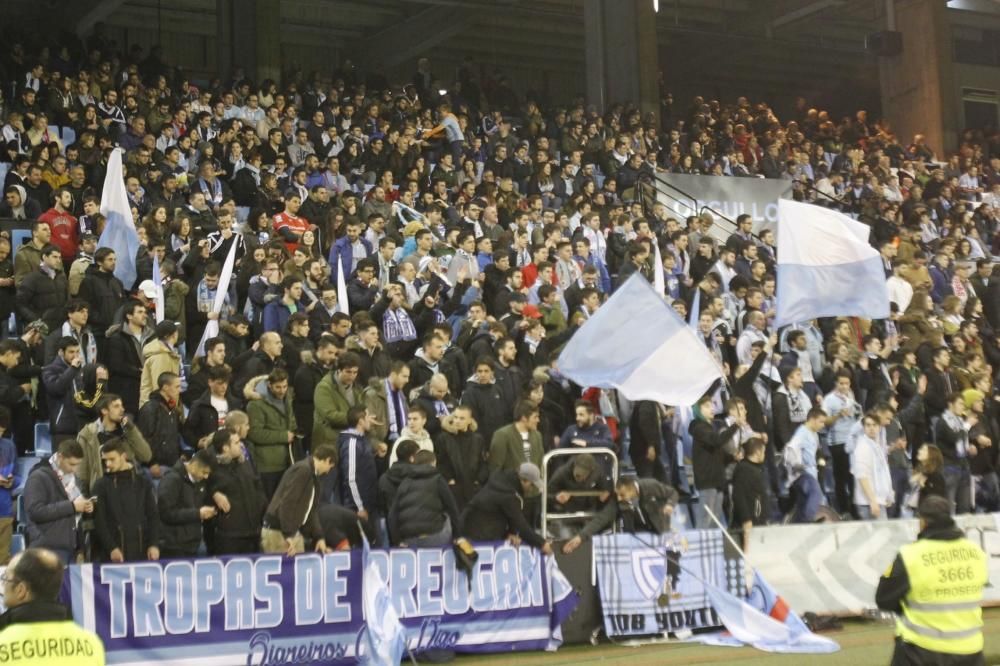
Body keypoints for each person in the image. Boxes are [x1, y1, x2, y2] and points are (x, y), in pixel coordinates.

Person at [876, 496, 988, 665]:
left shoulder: (911, 555)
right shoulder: (976, 552)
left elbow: (884, 599)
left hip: (921, 651)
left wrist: (904, 609)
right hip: (970, 650)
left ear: (923, 521)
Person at [0, 548, 105, 664]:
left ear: (21, 590)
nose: (3, 584)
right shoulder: (91, 646)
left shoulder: (3, 643)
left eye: (5, 578)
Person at [562, 476, 679, 554]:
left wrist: (670, 504)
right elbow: (602, 518)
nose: (618, 498)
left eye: (622, 495)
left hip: (660, 532)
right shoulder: (617, 501)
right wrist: (580, 537)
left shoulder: (650, 485)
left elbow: (673, 493)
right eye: (617, 494)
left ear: (632, 489)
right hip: (637, 537)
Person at [23, 440, 92, 564]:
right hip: (46, 549)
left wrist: (86, 507)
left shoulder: (74, 480)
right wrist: (72, 506)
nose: (75, 470)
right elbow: (35, 511)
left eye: (78, 465)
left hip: (71, 548)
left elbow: (75, 517)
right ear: (60, 457)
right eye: (71, 464)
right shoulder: (38, 477)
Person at [91, 438, 160, 562]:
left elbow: (153, 516)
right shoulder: (100, 486)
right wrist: (111, 548)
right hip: (112, 555)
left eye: (112, 459)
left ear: (123, 456)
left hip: (142, 552)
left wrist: (154, 544)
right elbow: (99, 521)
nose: (108, 464)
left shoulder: (143, 483)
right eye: (105, 460)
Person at [261, 443, 335, 556]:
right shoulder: (303, 470)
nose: (328, 471)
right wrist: (288, 534)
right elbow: (287, 503)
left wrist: (319, 537)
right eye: (330, 467)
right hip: (278, 533)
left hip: (290, 532)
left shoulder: (313, 477)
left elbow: (311, 511)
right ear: (327, 460)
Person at [461, 463, 553, 554]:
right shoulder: (509, 495)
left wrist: (508, 534)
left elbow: (499, 514)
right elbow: (521, 525)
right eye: (532, 484)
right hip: (477, 537)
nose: (532, 489)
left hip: (469, 526)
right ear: (524, 480)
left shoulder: (503, 480)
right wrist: (542, 544)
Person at [76, 393, 152, 496]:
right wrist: (86, 500)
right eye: (116, 406)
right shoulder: (87, 434)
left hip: (129, 490)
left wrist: (131, 429)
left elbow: (146, 456)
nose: (122, 409)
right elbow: (81, 473)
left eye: (122, 406)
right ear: (104, 411)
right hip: (103, 493)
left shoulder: (127, 432)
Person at [207, 428, 267, 555]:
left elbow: (258, 486)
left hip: (254, 532)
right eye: (236, 442)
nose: (241, 444)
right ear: (225, 448)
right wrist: (214, 494)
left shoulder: (246, 463)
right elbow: (200, 491)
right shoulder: (211, 468)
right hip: (230, 537)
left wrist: (261, 511)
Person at [388, 449, 461, 547]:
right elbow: (453, 508)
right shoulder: (438, 479)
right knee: (447, 516)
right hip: (435, 537)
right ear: (433, 463)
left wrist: (398, 541)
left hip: (410, 539)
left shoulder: (405, 482)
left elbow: (392, 515)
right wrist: (458, 536)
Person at [246, 368, 298, 499]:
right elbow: (254, 433)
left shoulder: (288, 399)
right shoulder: (256, 404)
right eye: (278, 387)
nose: (282, 390)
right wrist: (283, 436)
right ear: (269, 385)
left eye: (285, 386)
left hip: (287, 461)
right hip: (267, 466)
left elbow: (291, 423)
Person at [690, 395, 740, 528]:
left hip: (717, 479)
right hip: (707, 481)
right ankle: (699, 547)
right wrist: (735, 426)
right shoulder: (699, 428)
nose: (711, 408)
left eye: (711, 405)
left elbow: (715, 452)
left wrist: (732, 457)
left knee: (715, 520)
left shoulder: (710, 427)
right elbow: (716, 441)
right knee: (705, 520)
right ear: (698, 410)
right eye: (706, 406)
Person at [157, 449, 216, 558]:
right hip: (173, 547)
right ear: (195, 464)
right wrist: (197, 514)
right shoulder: (172, 479)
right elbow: (166, 513)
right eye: (204, 472)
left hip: (192, 545)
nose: (206, 476)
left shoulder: (201, 482)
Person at [337, 405, 378, 540]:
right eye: (368, 416)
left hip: (367, 503)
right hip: (356, 507)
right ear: (361, 421)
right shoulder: (352, 443)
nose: (370, 419)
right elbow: (350, 478)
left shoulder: (361, 439)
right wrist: (359, 507)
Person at [436, 406, 488, 510]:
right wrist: (450, 480)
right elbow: (440, 462)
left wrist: (478, 481)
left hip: (473, 489)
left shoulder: (477, 439)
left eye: (462, 418)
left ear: (469, 420)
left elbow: (483, 463)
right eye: (455, 417)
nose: (457, 421)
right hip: (453, 489)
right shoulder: (443, 438)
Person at [136, 371, 184, 481]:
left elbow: (175, 435)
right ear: (166, 388)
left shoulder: (173, 410)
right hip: (155, 468)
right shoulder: (150, 409)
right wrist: (151, 463)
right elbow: (144, 439)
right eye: (177, 387)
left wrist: (180, 453)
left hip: (173, 464)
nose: (179, 390)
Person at [784, 407, 827, 523]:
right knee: (815, 493)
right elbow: (790, 448)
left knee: (803, 503)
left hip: (811, 473)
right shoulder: (802, 433)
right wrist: (795, 464)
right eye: (821, 421)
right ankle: (808, 521)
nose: (823, 425)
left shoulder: (814, 434)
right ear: (812, 419)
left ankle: (798, 524)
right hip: (803, 474)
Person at [731, 438, 769, 550]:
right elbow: (738, 496)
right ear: (757, 452)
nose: (764, 455)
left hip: (759, 522)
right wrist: (746, 519)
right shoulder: (743, 469)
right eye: (763, 451)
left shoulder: (758, 469)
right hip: (749, 524)